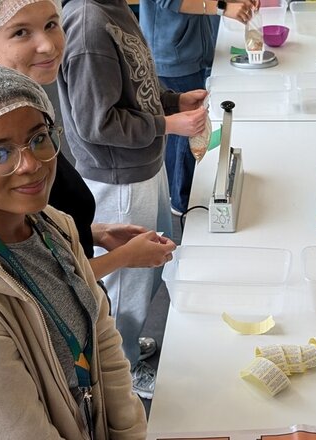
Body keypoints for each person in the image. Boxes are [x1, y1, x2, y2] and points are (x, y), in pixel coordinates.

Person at [0, 0, 177, 374]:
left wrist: (94, 231)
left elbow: (34, 236)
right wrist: (124, 258)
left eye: (52, 24)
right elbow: (31, 279)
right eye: (21, 32)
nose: (49, 45)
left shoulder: (26, 105)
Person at [0, 63, 146, 439]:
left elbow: (103, 341)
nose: (31, 164)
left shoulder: (54, 226)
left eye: (39, 138)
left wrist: (130, 431)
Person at [58, 0, 208, 398]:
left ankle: (128, 341)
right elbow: (97, 123)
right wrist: (168, 124)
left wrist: (172, 102)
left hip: (143, 164)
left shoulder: (116, 10)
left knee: (148, 271)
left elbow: (137, 86)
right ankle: (119, 370)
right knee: (126, 285)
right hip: (119, 178)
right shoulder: (90, 25)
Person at [140, 0, 258, 216]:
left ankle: (176, 193)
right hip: (173, 52)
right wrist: (223, 7)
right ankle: (183, 201)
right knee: (188, 129)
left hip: (194, 47)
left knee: (183, 130)